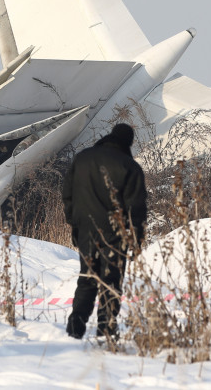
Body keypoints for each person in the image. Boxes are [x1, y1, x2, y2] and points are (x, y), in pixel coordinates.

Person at [62, 123, 147, 343]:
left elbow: (68, 194)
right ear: (128, 142)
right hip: (115, 235)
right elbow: (136, 209)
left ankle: (75, 328)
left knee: (87, 279)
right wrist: (135, 240)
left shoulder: (82, 158)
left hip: (85, 231)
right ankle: (106, 329)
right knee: (111, 281)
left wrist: (74, 224)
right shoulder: (130, 167)